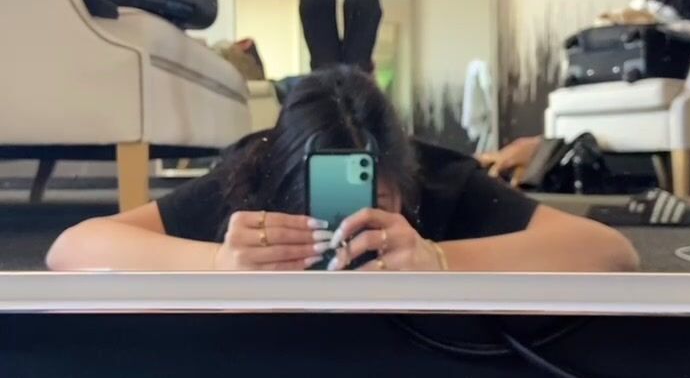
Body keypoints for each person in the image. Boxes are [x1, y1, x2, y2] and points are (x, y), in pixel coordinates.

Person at [47, 66, 638, 274]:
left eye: (375, 200)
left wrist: (437, 259)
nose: (348, 225)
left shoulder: (441, 179)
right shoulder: (251, 174)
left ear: (404, 183)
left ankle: (350, 54)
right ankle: (341, 52)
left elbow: (611, 252)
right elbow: (69, 250)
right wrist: (216, 263)